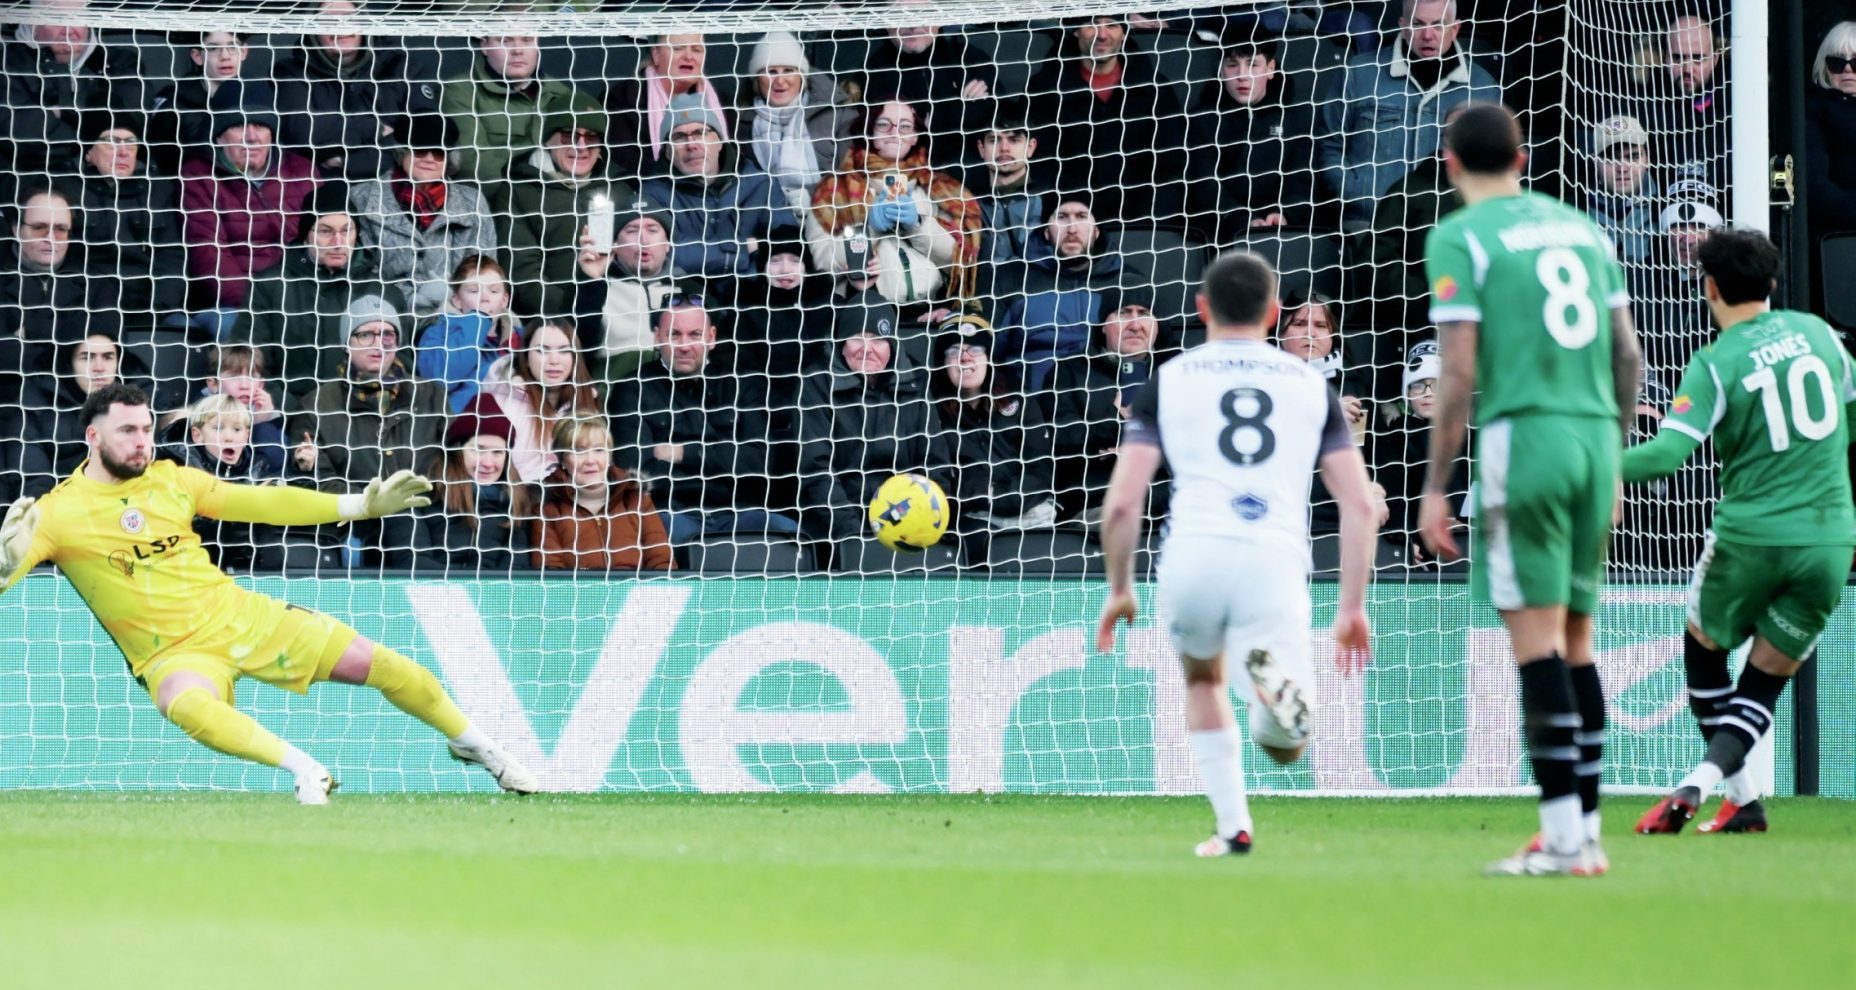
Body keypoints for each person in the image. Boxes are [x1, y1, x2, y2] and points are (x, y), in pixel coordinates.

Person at [0, 382, 538, 803]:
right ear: (93, 437)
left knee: (385, 666)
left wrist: (358, 507)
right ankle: (304, 768)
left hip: (239, 615)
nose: (142, 441)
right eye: (126, 432)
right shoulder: (55, 513)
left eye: (145, 428)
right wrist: (6, 561)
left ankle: (476, 744)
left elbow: (264, 503)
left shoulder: (173, 478)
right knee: (183, 703)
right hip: (170, 652)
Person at [1419, 104, 1642, 876]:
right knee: (1578, 642)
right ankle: (1585, 834)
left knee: (1535, 645)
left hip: (1528, 439)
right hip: (1592, 440)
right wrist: (1612, 457)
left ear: (1451, 164)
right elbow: (1628, 354)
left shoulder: (1459, 236)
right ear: (1522, 158)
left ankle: (1558, 838)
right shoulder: (1585, 229)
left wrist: (1435, 485)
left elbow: (1457, 372)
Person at [1094, 251, 1378, 857]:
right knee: (1284, 748)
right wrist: (1351, 605)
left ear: (1200, 310)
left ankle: (1232, 825)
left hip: (1193, 551)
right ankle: (1274, 704)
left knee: (1203, 678)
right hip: (1274, 557)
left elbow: (1123, 504)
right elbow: (1356, 505)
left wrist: (1120, 587)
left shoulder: (1166, 379)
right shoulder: (1311, 385)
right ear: (1275, 314)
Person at [1625, 230, 1856, 837]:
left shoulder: (1716, 363)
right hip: (1830, 539)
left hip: (1751, 537)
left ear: (1710, 287)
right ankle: (1740, 801)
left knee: (1705, 653)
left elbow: (1665, 456)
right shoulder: (1821, 336)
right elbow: (1850, 415)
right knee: (1763, 681)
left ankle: (1705, 788)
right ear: (1773, 285)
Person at [608, 294, 799, 548]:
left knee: (788, 534)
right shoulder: (632, 389)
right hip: (670, 512)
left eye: (695, 334)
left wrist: (683, 453)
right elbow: (635, 473)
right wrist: (723, 462)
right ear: (657, 337)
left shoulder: (742, 383)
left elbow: (759, 463)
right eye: (674, 334)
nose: (684, 345)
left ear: (711, 337)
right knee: (659, 533)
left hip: (739, 511)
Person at [287, 296, 449, 568]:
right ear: (347, 343)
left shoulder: (431, 395)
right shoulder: (317, 405)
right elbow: (320, 483)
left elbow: (455, 462)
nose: (379, 343)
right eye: (366, 335)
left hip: (433, 508)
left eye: (388, 334)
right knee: (402, 519)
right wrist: (378, 500)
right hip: (360, 521)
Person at [1315, 0, 1499, 230]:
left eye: (1438, 25)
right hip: (1368, 224)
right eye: (1418, 24)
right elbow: (1330, 145)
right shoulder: (1359, 74)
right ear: (1402, 25)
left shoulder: (1482, 88)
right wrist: (1358, 196)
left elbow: (1491, 163)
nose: (1427, 35)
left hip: (1446, 229)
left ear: (1456, 29)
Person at [235, 180, 412, 400]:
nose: (338, 242)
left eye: (346, 230)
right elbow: (247, 364)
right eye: (326, 231)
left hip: (363, 414)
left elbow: (402, 365)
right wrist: (294, 412)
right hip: (288, 414)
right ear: (306, 234)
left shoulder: (385, 293)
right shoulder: (269, 286)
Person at [807, 99, 984, 312]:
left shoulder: (938, 188)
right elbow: (822, 263)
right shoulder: (833, 190)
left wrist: (918, 225)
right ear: (869, 131)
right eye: (883, 124)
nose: (894, 132)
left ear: (915, 136)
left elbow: (958, 258)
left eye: (905, 126)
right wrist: (869, 229)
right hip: (864, 314)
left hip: (931, 312)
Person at [1025, 15, 1186, 225]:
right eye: (1092, 25)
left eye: (1111, 25)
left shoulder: (1156, 88)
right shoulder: (1043, 89)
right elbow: (1039, 166)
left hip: (1141, 225)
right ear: (1075, 30)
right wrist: (1072, 219)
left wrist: (1145, 223)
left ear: (1124, 32)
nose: (1102, 35)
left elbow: (1172, 165)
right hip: (1068, 226)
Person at [178, 97, 320, 332]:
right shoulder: (199, 175)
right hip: (234, 305)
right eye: (239, 126)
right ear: (219, 136)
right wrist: (262, 305)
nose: (252, 137)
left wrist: (301, 299)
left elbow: (323, 238)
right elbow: (208, 252)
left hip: (302, 297)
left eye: (261, 126)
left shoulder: (302, 170)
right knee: (238, 330)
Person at [482, 109, 635, 318]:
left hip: (621, 317)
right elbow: (524, 278)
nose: (581, 146)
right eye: (569, 135)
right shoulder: (518, 192)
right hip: (551, 324)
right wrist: (571, 318)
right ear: (548, 141)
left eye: (591, 137)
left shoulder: (622, 190)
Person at [348, 112, 498, 318]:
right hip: (384, 316)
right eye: (419, 150)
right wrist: (408, 300)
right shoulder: (362, 198)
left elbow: (485, 271)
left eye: (438, 152)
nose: (428, 158)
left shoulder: (472, 202)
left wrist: (454, 304)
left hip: (457, 317)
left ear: (449, 158)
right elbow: (361, 271)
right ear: (402, 152)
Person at [640, 94, 797, 280]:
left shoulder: (759, 183)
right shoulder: (652, 195)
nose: (692, 144)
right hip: (684, 298)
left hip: (754, 295)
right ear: (667, 151)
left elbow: (788, 246)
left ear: (720, 142)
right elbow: (662, 255)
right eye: (679, 137)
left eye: (701, 133)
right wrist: (743, 248)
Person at [1185, 25, 1318, 242]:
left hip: (1280, 235)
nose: (1242, 76)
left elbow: (1301, 180)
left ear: (1271, 68)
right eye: (1232, 65)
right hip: (1219, 235)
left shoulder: (1297, 118)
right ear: (1221, 69)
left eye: (1252, 65)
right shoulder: (1200, 119)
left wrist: (1284, 214)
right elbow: (1204, 184)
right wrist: (1242, 219)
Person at [273, 0, 429, 180]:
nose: (341, 28)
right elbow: (301, 130)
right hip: (324, 190)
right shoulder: (292, 71)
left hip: (395, 186)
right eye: (328, 22)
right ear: (312, 30)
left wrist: (349, 162)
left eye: (349, 19)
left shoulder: (402, 67)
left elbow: (425, 139)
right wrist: (373, 128)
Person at [989, 192, 1130, 391]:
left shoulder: (1127, 282)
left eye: (1081, 217)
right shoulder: (1011, 279)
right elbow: (985, 350)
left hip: (1106, 408)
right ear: (1046, 231)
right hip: (1031, 410)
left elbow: (1152, 352)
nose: (1071, 229)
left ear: (1096, 231)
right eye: (1062, 217)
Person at [929, 333, 1059, 534]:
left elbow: (1040, 470)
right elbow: (939, 482)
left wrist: (999, 495)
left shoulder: (1020, 400)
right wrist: (984, 495)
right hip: (969, 521)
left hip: (1033, 513)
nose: (965, 358)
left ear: (988, 357)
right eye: (954, 351)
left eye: (975, 349)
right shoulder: (930, 412)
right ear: (943, 362)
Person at [443, 23, 604, 185]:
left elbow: (594, 154)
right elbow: (472, 164)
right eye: (506, 41)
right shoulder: (460, 91)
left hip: (560, 196)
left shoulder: (563, 94)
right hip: (500, 200)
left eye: (527, 40)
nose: (518, 50)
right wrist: (528, 192)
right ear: (484, 45)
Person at [0, 0, 145, 176]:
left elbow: (129, 120)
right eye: (57, 18)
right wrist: (92, 131)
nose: (69, 30)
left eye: (78, 18)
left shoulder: (121, 62)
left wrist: (60, 112)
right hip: (29, 180)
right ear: (33, 24)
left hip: (109, 184)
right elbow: (21, 136)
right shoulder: (6, 63)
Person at [463, 318, 604, 485]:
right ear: (526, 357)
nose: (554, 360)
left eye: (564, 351)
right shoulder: (499, 404)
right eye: (542, 350)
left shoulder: (587, 401)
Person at [10, 332, 149, 499]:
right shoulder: (31, 410)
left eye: (108, 357)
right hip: (60, 511)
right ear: (69, 364)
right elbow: (34, 487)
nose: (99, 367)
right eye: (87, 357)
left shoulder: (139, 402)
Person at [1370, 340, 1470, 566]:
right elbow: (1391, 488)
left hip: (1462, 546)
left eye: (1435, 384)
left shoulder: (1466, 435)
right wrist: (1402, 538)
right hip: (1414, 546)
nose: (1427, 393)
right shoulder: (1395, 435)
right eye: (1418, 385)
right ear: (1407, 391)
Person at [162, 393, 288, 572]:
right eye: (219, 428)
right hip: (194, 569)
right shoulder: (181, 467)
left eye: (236, 430)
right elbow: (189, 526)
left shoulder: (257, 469)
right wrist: (244, 505)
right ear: (197, 435)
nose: (229, 437)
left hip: (248, 569)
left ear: (246, 437)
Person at [738, 32, 857, 216]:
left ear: (802, 76)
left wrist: (811, 197)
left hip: (832, 217)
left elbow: (855, 176)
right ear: (757, 79)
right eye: (771, 71)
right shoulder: (742, 124)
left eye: (788, 71)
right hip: (770, 221)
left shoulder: (838, 114)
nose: (780, 80)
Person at [533, 417, 675, 572]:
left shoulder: (636, 499)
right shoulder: (546, 510)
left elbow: (662, 561)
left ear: (609, 457)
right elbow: (550, 573)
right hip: (578, 594)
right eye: (578, 451)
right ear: (563, 461)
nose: (590, 460)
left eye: (599, 450)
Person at [571, 204, 689, 382]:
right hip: (613, 399)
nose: (643, 240)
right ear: (615, 245)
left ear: (667, 244)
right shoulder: (597, 288)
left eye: (652, 230)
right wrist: (592, 279)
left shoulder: (691, 291)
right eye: (632, 230)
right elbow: (579, 345)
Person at [414, 410, 536, 573]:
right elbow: (416, 564)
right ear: (457, 451)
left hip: (492, 595)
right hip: (434, 594)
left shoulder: (516, 502)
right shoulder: (422, 496)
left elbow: (515, 568)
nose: (488, 462)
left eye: (498, 452)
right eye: (478, 450)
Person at [606, 33, 733, 181]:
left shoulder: (723, 104)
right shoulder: (623, 101)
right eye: (678, 48)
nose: (689, 56)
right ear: (656, 54)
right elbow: (624, 168)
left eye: (697, 50)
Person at [416, 254, 522, 413]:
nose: (485, 298)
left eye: (494, 291)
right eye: (474, 291)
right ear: (457, 300)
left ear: (504, 300)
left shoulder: (521, 339)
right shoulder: (437, 333)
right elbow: (441, 379)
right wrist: (479, 320)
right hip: (458, 427)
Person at [146, 31, 252, 175]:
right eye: (213, 48)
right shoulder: (173, 108)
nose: (225, 56)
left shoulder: (259, 102)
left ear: (244, 52)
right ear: (197, 56)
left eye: (233, 47)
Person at [1582, 114, 1659, 266]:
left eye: (1633, 157)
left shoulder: (1664, 207)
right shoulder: (1578, 209)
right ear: (1595, 161)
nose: (1622, 168)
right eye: (1611, 158)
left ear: (1647, 159)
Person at [1804, 22, 1856, 234]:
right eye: (1836, 62)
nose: (1847, 69)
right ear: (1823, 66)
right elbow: (1813, 181)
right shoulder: (1813, 109)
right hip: (1836, 233)